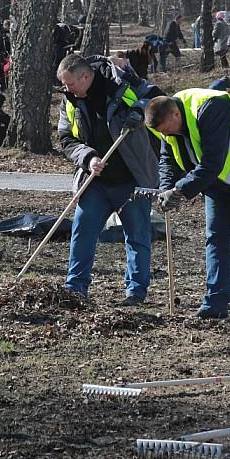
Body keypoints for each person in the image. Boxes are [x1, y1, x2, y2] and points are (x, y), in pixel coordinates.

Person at [143, 89, 230, 331]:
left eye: (166, 129)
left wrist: (180, 191)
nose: (166, 134)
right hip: (215, 181)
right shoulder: (165, 120)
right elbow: (167, 159)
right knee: (215, 237)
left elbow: (213, 163)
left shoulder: (212, 109)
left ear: (175, 113)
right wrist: (166, 189)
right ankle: (216, 302)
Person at [56, 54, 161, 305]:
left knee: (137, 235)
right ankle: (75, 287)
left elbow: (156, 98)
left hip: (133, 179)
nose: (66, 89)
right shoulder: (69, 101)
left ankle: (136, 291)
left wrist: (138, 111)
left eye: (69, 83)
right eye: (64, 84)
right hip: (95, 181)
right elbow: (66, 139)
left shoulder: (120, 84)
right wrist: (88, 158)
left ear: (85, 77)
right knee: (82, 232)